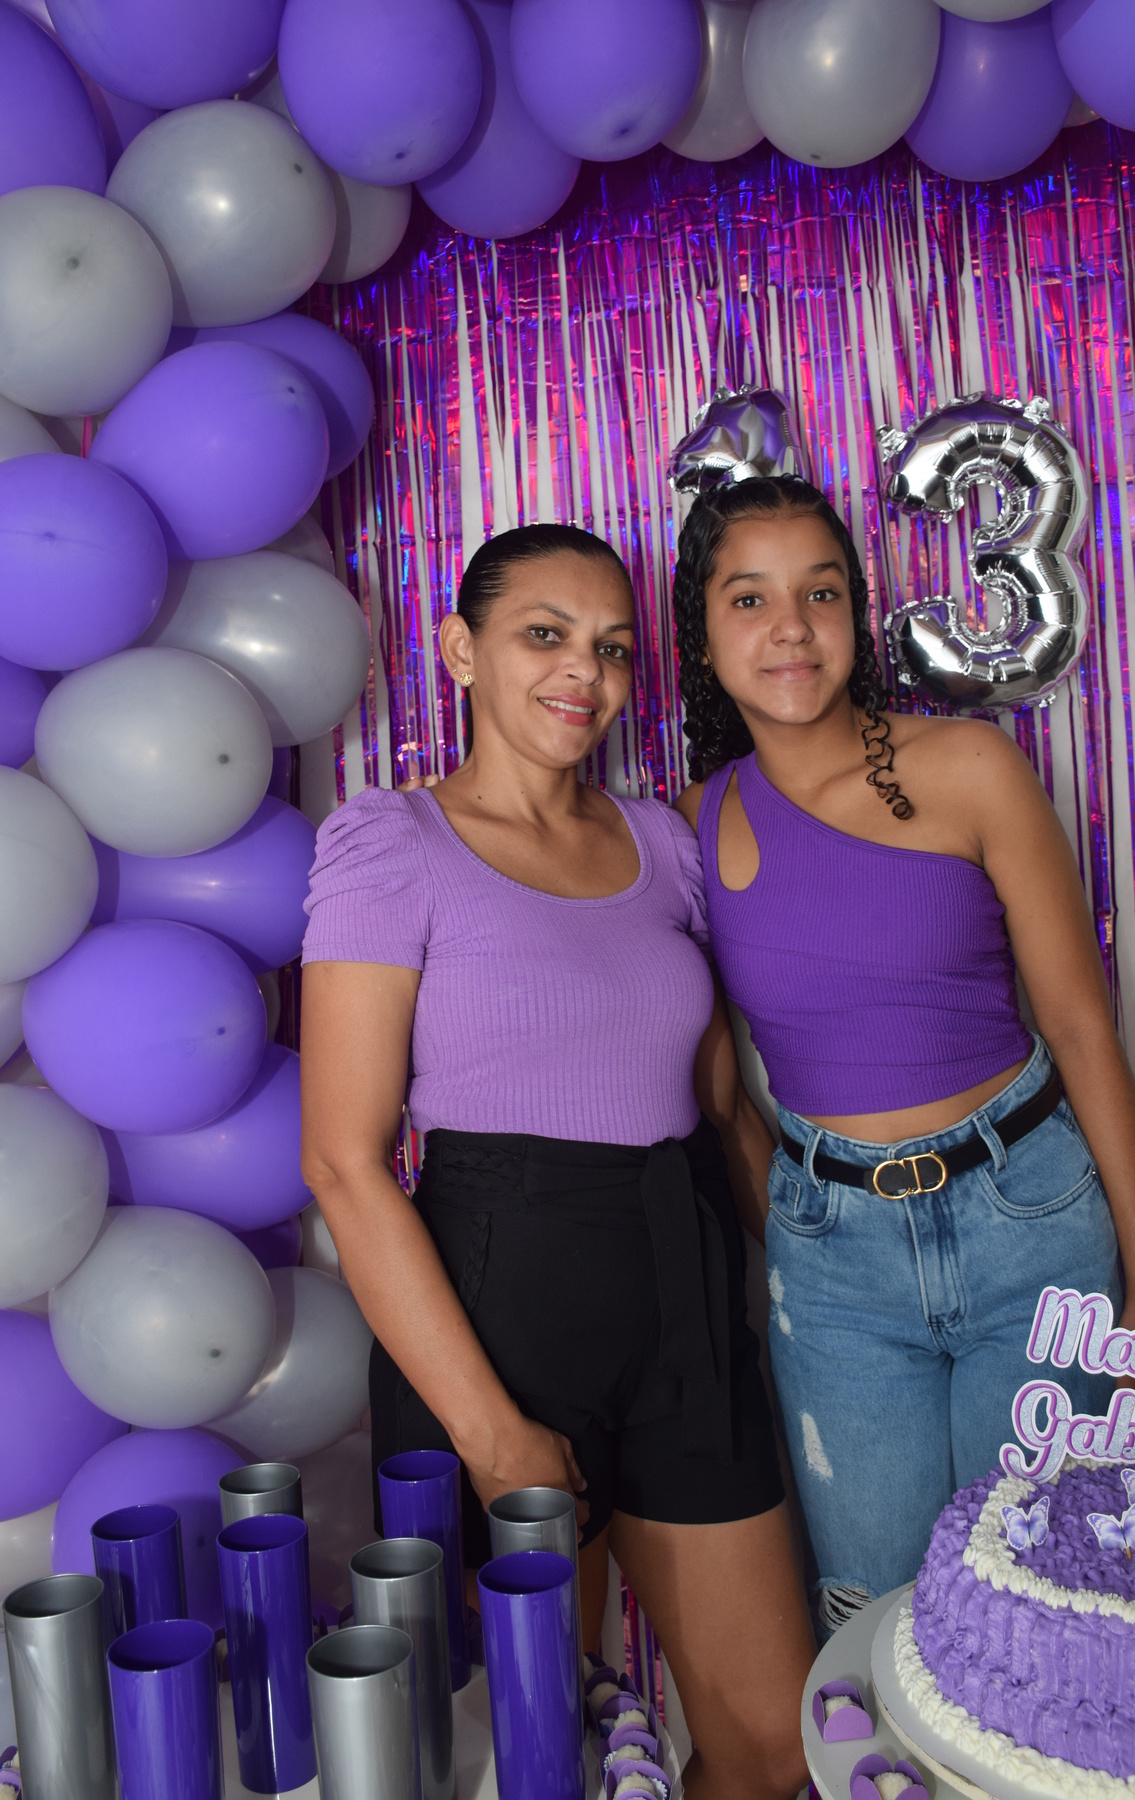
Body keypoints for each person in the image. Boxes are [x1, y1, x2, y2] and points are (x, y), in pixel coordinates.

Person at [300, 523, 815, 1800]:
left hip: (686, 1280)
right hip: (499, 1296)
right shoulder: (392, 842)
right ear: (461, 650)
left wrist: (822, 1283)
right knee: (537, 1757)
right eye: (546, 635)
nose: (586, 672)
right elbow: (344, 1163)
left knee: (769, 1738)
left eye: (614, 648)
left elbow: (721, 1108)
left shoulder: (665, 846)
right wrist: (489, 1433)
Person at [671, 474, 1135, 1630]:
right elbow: (721, 1101)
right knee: (878, 1623)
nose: (791, 627)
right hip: (835, 1275)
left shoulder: (971, 768)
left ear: (857, 613)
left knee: (1046, 1611)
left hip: (1027, 1224)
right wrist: (811, 1233)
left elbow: (1083, 1031)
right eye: (749, 599)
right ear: (700, 635)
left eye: (821, 592)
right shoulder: (693, 827)